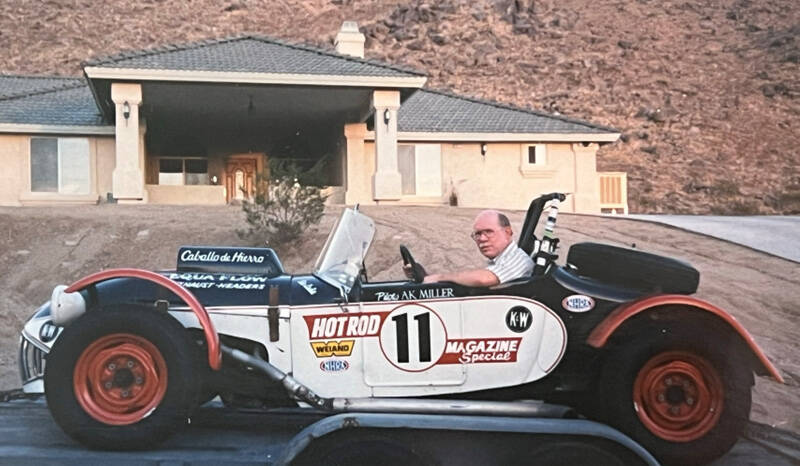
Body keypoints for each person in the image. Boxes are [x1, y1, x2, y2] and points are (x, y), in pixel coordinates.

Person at [406, 210, 533, 287]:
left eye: (489, 232)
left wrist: (440, 277)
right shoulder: (500, 261)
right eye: (478, 234)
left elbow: (485, 279)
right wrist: (427, 278)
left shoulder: (519, 259)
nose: (482, 239)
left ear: (508, 232)